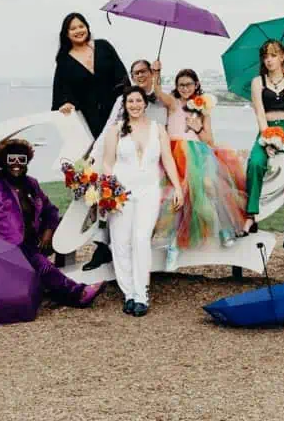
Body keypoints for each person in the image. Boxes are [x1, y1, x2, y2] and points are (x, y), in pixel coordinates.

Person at [0, 139, 103, 308]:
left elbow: (51, 211)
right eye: (12, 159)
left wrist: (48, 231)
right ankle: (78, 294)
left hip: (34, 241)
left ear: (27, 161)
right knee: (41, 265)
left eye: (22, 159)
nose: (16, 164)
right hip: (4, 248)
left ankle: (52, 286)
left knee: (48, 244)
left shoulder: (31, 184)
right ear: (3, 161)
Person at [81, 58, 172, 272]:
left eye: (143, 71)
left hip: (149, 163)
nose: (139, 76)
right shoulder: (123, 101)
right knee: (101, 196)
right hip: (120, 157)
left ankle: (136, 250)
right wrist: (94, 154)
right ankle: (102, 246)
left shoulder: (160, 100)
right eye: (135, 73)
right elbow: (109, 128)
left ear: (151, 72)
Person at [101, 86, 183, 316]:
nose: (135, 105)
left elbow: (167, 158)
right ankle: (129, 293)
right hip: (121, 192)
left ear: (145, 103)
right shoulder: (116, 130)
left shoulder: (158, 129)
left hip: (148, 191)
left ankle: (142, 294)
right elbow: (108, 163)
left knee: (141, 239)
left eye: (138, 100)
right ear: (125, 105)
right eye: (130, 101)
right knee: (120, 242)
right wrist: (110, 192)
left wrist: (177, 186)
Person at [154, 68, 247, 267]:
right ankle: (172, 245)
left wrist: (197, 128)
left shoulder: (202, 108)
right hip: (174, 153)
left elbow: (209, 140)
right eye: (181, 85)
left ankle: (225, 229)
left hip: (197, 154)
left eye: (189, 84)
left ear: (196, 85)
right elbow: (158, 92)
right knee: (173, 197)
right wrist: (157, 73)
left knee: (210, 186)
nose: (185, 88)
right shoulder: (173, 103)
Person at [241, 40, 284, 259]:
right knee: (255, 163)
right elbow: (260, 113)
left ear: (283, 57)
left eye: (273, 55)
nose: (268, 60)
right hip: (267, 128)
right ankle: (251, 215)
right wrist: (268, 138)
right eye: (265, 56)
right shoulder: (257, 82)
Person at [52, 13, 130, 139]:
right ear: (66, 34)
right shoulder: (64, 60)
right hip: (89, 118)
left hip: (115, 113)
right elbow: (61, 91)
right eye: (73, 29)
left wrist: (126, 104)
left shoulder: (103, 46)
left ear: (87, 27)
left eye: (81, 26)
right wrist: (66, 103)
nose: (78, 31)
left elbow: (123, 78)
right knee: (96, 156)